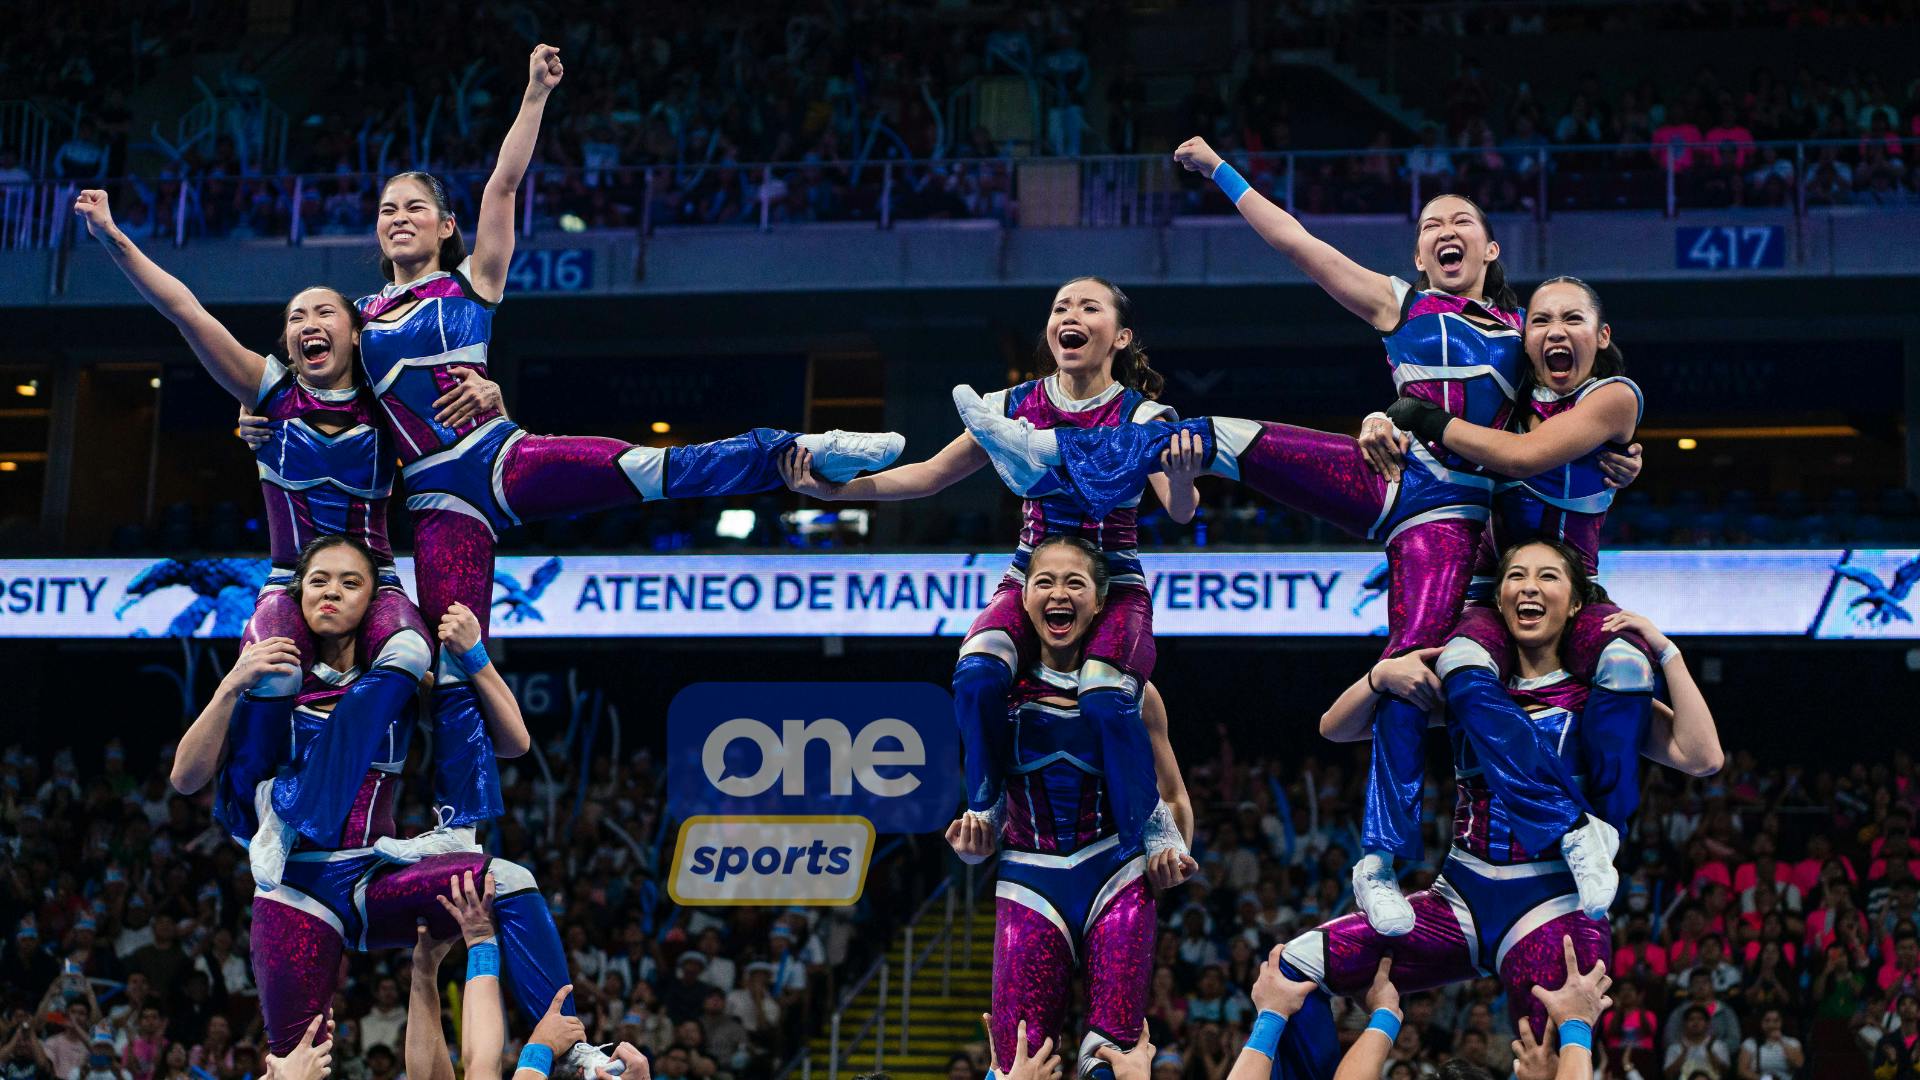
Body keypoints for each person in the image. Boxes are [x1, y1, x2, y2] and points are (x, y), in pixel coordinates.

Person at [952, 134, 1641, 935]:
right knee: (1216, 435)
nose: (1443, 230)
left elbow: (1571, 406)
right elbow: (1299, 242)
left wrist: (1626, 453)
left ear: (1490, 248)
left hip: (1446, 513)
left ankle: (1380, 862)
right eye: (1428, 225)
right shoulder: (1400, 303)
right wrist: (1219, 170)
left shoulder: (1526, 335)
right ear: (1420, 253)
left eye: (1461, 221)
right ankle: (1056, 450)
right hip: (1379, 474)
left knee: (1408, 671)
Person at [350, 44, 902, 805]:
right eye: (386, 209)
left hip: (502, 457)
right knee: (456, 652)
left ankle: (798, 451)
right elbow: (297, 391)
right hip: (438, 500)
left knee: (649, 467)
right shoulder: (353, 323)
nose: (398, 218)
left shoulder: (471, 284)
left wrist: (535, 95)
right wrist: (255, 415)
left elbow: (506, 183)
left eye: (414, 207)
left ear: (447, 225)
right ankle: (458, 823)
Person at [69, 188, 498, 863]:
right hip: (290, 580)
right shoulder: (267, 392)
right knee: (271, 670)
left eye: (325, 310)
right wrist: (109, 236)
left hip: (376, 580)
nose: (309, 322)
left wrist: (492, 392)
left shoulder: (387, 404)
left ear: (357, 332)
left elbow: (468, 406)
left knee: (415, 654)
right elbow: (183, 309)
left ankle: (342, 806)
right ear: (289, 342)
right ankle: (254, 811)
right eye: (296, 317)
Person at [1255, 539, 1721, 1080]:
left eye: (1548, 577)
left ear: (1574, 603)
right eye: (1516, 576)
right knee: (1294, 969)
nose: (1529, 586)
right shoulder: (1465, 685)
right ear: (1498, 600)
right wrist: (1380, 675)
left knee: (1546, 1067)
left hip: (1555, 909)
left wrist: (1668, 653)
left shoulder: (1596, 693)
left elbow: (1702, 756)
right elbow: (1336, 728)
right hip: (1459, 896)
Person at [782, 276, 1200, 859]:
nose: (1069, 315)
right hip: (1034, 576)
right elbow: (928, 475)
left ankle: (1150, 825)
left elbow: (1182, 511)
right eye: (1059, 307)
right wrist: (835, 493)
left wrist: (1180, 474)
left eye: (1088, 306)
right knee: (977, 672)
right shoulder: (1009, 405)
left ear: (1121, 337)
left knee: (1105, 698)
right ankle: (988, 799)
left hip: (1113, 583)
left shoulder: (1146, 414)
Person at [167, 535, 605, 1078]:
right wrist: (229, 685)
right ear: (299, 592)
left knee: (509, 881)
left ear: (372, 601)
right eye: (319, 580)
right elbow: (185, 780)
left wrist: (477, 661)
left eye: (351, 583)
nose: (332, 593)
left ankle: (576, 1050)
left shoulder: (401, 681)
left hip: (376, 876)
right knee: (293, 1066)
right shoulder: (273, 673)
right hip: (293, 888)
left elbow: (512, 742)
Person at [1380, 277, 1660, 887]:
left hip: (1579, 594)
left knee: (1630, 669)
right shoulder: (1505, 403)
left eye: (1573, 320)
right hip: (1506, 597)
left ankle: (1606, 827)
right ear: (1524, 340)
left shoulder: (1614, 396)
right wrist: (1385, 418)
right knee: (1458, 667)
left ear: (1602, 335)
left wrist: (1426, 417)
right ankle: (1561, 824)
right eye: (1540, 322)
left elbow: (1524, 457)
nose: (1557, 332)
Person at [942, 536, 1195, 1080]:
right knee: (1017, 1065)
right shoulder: (998, 689)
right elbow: (981, 788)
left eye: (1075, 582)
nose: (1059, 593)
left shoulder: (1132, 691)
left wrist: (1176, 855)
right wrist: (974, 834)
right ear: (1024, 596)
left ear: (1101, 602)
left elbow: (1172, 795)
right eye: (1046, 582)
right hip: (1029, 878)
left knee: (1112, 1059)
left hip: (1117, 871)